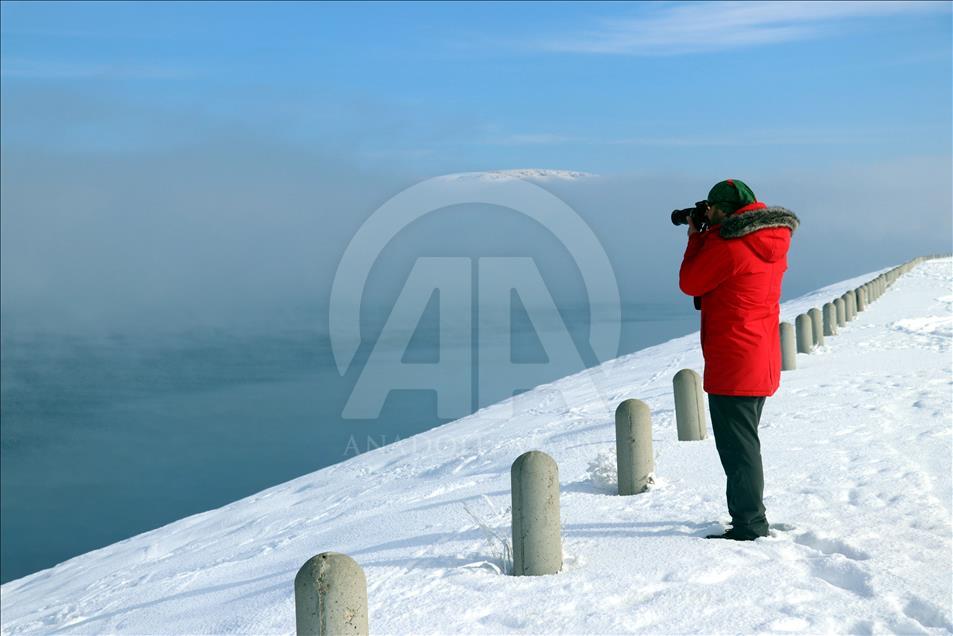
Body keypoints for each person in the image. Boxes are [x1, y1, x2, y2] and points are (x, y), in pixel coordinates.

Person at [679, 179, 799, 541]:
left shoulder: (728, 247)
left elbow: (690, 282)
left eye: (712, 209)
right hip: (758, 354)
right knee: (745, 443)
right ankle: (749, 517)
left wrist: (696, 236)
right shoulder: (768, 243)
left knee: (738, 450)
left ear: (723, 212)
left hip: (734, 358)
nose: (708, 214)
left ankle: (749, 524)